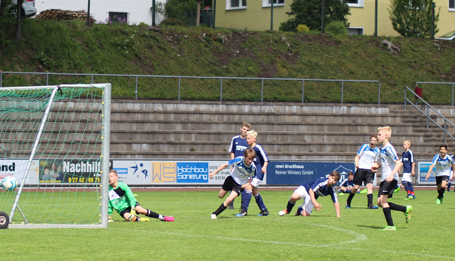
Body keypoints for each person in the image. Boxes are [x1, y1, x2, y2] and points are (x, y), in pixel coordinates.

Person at [374, 126, 412, 231]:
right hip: (384, 178)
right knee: (379, 202)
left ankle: (391, 226)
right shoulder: (381, 148)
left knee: (383, 201)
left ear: (386, 136)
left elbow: (398, 163)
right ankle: (405, 209)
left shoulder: (389, 147)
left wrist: (392, 175)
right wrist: (378, 167)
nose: (378, 136)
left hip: (390, 178)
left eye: (379, 134)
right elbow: (388, 163)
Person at [108, 170, 174, 222]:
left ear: (116, 177)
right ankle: (140, 219)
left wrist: (133, 208)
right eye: (108, 177)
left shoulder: (123, 186)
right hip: (121, 210)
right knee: (128, 218)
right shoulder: (107, 190)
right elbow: (109, 204)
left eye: (111, 176)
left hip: (130, 204)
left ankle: (162, 217)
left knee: (141, 210)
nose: (109, 178)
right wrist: (109, 217)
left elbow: (131, 197)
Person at [209, 148, 257, 220]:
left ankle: (214, 214)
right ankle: (230, 191)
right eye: (249, 158)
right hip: (231, 179)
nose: (250, 161)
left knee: (229, 199)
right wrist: (214, 172)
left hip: (239, 185)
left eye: (252, 159)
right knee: (220, 196)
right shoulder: (238, 160)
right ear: (244, 156)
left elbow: (251, 178)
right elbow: (225, 165)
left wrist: (246, 184)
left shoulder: (253, 168)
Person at [237, 130, 270, 217]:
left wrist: (264, 167)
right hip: (251, 173)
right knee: (255, 192)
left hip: (258, 172)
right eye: (246, 138)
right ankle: (264, 210)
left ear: (254, 139)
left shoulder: (258, 147)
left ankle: (244, 210)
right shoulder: (248, 149)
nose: (247, 140)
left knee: (248, 188)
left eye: (249, 138)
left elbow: (266, 159)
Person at [346, 134, 380, 209]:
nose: (372, 142)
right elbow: (357, 156)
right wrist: (356, 164)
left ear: (376, 142)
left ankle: (370, 205)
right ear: (370, 140)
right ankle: (348, 202)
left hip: (369, 170)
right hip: (361, 169)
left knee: (370, 186)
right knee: (356, 187)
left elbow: (375, 161)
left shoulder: (377, 150)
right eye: (371, 140)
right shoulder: (364, 146)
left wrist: (375, 166)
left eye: (374, 141)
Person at [227, 122, 251, 209]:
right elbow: (232, 152)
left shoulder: (248, 141)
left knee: (244, 185)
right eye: (244, 129)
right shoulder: (235, 139)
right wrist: (232, 164)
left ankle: (243, 204)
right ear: (241, 128)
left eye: (247, 130)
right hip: (236, 166)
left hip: (245, 167)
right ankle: (230, 202)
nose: (245, 131)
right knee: (233, 183)